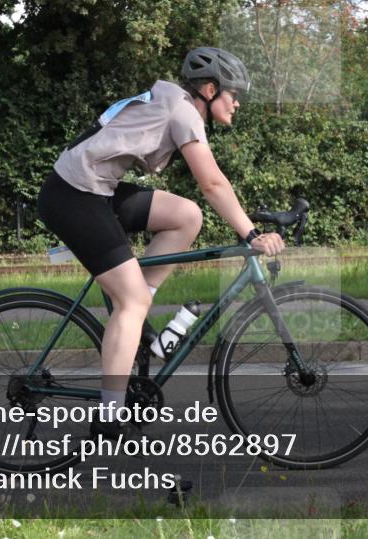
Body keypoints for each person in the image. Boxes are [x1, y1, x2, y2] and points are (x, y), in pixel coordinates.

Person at [36, 47, 285, 438]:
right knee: (129, 301)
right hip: (74, 196)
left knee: (187, 216)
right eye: (232, 93)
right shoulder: (184, 111)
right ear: (208, 89)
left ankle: (140, 317)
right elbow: (212, 182)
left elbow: (202, 193)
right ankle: (109, 415)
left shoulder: (177, 102)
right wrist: (250, 233)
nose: (236, 103)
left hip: (95, 190)